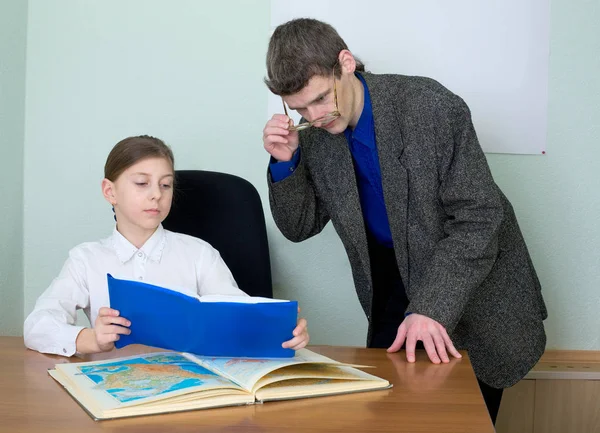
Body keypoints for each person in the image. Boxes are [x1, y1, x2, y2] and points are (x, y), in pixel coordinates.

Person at [262, 18, 546, 423]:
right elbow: (299, 226)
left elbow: (480, 219)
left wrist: (431, 307)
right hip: (390, 290)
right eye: (300, 107)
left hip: (470, 289)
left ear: (346, 63)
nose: (315, 116)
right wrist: (284, 162)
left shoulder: (430, 106)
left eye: (322, 99)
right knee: (391, 419)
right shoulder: (313, 134)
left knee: (462, 421)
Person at [24, 135, 309, 356]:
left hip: (190, 392)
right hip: (113, 393)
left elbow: (236, 315)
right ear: (110, 191)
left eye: (165, 185)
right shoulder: (86, 259)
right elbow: (36, 326)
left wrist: (280, 329)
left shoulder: (200, 254)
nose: (155, 196)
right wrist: (91, 339)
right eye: (141, 183)